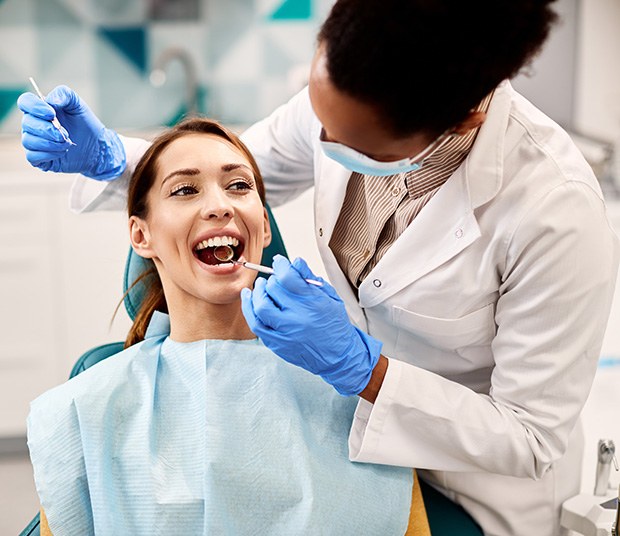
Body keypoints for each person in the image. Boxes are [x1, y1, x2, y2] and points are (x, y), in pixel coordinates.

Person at [17, 1, 620, 534]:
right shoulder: (86, 410)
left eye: (347, 139)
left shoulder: (552, 210)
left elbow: (531, 437)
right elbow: (228, 167)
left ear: (460, 122)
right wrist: (112, 160)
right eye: (317, 112)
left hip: (474, 482)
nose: (319, 136)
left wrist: (366, 373)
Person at [26, 117, 425, 536]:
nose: (220, 206)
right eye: (184, 189)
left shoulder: (357, 397)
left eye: (239, 186)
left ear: (265, 227)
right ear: (141, 236)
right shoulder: (83, 412)